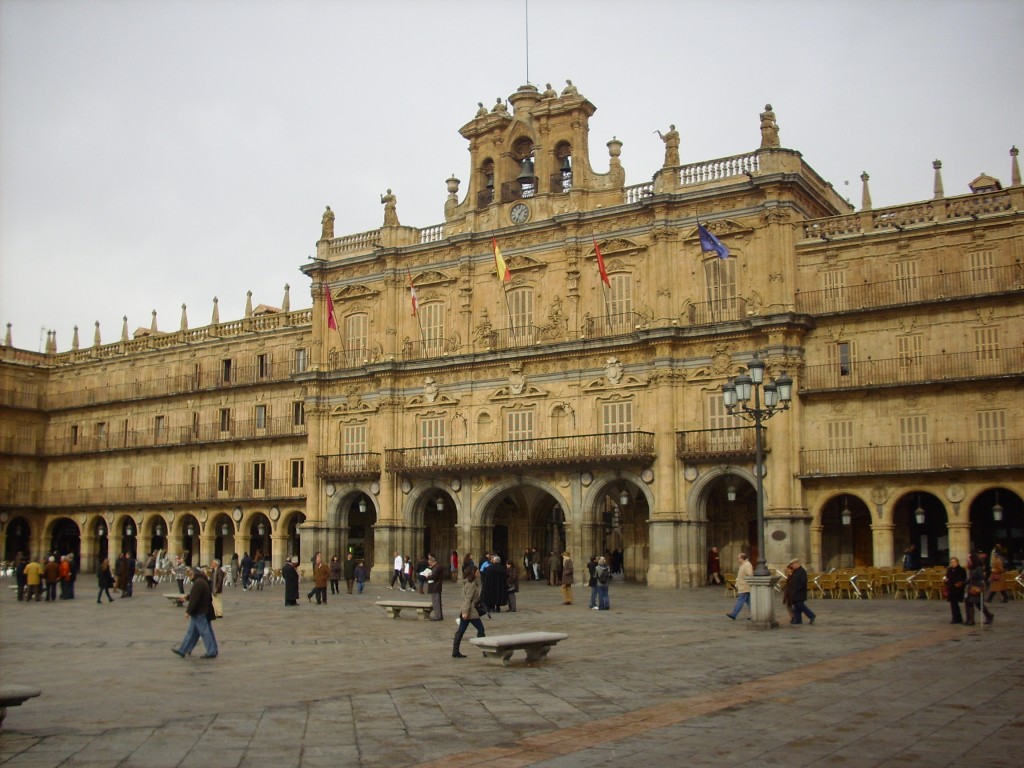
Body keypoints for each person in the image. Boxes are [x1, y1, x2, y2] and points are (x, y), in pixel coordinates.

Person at [172, 564, 218, 659]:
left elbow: (195, 599)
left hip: (199, 612)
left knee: (205, 632)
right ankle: (184, 650)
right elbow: (196, 595)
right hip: (203, 610)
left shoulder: (198, 583)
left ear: (196, 574)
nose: (190, 575)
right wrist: (187, 597)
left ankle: (211, 651)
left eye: (191, 573)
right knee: (193, 633)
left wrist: (188, 611)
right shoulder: (202, 581)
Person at [451, 564, 486, 659]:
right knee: (481, 629)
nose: (478, 573)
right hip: (471, 611)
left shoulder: (469, 583)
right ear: (472, 573)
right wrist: (465, 612)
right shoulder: (471, 585)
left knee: (461, 631)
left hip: (467, 610)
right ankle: (485, 650)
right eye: (477, 572)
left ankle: (455, 651)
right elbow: (467, 599)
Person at [964, 552, 993, 626]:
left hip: (976, 587)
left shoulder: (978, 568)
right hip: (971, 587)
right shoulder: (971, 568)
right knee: (969, 602)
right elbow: (970, 578)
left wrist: (980, 588)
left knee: (977, 603)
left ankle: (988, 616)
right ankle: (970, 619)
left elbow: (981, 578)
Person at [787, 558, 816, 625]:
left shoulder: (802, 571)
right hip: (794, 592)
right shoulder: (795, 571)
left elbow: (803, 582)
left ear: (797, 563)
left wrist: (796, 589)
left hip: (799, 592)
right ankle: (798, 620)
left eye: (793, 564)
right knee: (796, 607)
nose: (792, 566)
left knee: (800, 605)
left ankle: (811, 615)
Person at [726, 553, 753, 620]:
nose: (738, 559)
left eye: (739, 558)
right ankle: (754, 614)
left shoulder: (747, 565)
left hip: (745, 587)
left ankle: (734, 614)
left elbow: (750, 574)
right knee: (749, 602)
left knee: (740, 601)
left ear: (742, 558)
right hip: (743, 586)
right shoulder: (743, 565)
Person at [944, 556, 968, 624]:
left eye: (954, 562)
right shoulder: (949, 570)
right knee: (953, 604)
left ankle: (959, 618)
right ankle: (956, 618)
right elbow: (947, 577)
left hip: (958, 589)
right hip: (951, 589)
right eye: (951, 562)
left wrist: (957, 582)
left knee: (956, 603)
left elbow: (963, 579)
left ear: (957, 562)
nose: (952, 563)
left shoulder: (961, 570)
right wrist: (946, 580)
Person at [426, 553, 444, 621]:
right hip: (435, 586)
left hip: (435, 586)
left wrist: (427, 577)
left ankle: (438, 616)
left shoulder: (436, 567)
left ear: (432, 561)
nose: (428, 563)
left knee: (436, 602)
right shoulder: (436, 567)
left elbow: (434, 576)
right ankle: (438, 615)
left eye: (429, 561)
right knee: (436, 602)